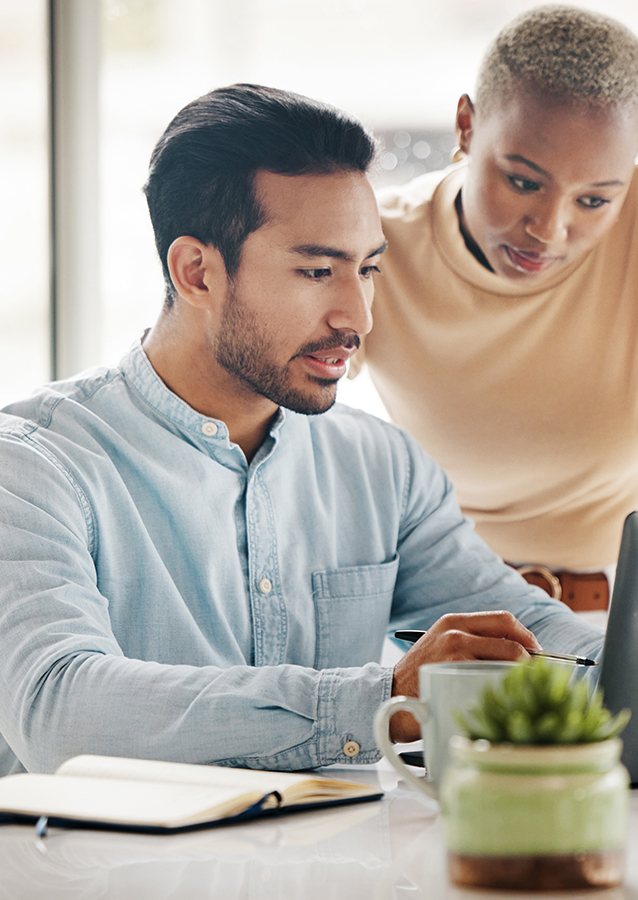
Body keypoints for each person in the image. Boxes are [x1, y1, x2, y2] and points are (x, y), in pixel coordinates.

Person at [0, 84, 603, 777]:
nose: (358, 317)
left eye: (368, 270)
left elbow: (525, 630)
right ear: (196, 272)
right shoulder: (33, 467)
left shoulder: (382, 466)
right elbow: (59, 709)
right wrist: (387, 700)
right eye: (317, 270)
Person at [353, 5, 638, 610]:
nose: (549, 230)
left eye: (596, 201)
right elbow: (276, 432)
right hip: (442, 619)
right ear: (466, 127)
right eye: (523, 182)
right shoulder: (375, 245)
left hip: (630, 619)